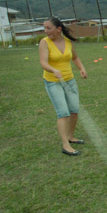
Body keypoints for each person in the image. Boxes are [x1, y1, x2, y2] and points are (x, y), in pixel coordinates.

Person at [38, 17, 87, 156]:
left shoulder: (67, 42)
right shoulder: (44, 42)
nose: (46, 31)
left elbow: (75, 57)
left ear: (58, 29)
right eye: (44, 28)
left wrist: (81, 68)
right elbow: (43, 62)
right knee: (63, 113)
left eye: (49, 28)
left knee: (74, 111)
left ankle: (71, 137)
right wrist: (53, 70)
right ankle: (66, 145)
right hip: (53, 82)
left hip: (69, 81)